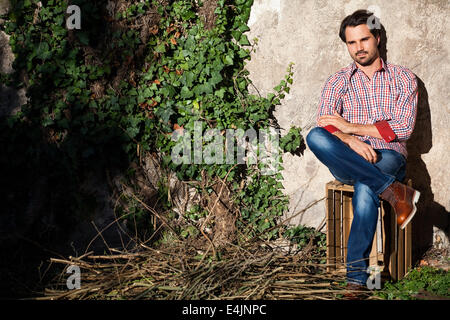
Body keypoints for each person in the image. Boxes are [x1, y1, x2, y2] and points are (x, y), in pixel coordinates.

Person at [306, 9, 420, 296]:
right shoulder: (338, 81)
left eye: (364, 40)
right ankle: (394, 193)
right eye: (351, 43)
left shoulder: (403, 78)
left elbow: (402, 129)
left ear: (377, 38)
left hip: (389, 157)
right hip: (348, 157)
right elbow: (325, 125)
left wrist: (350, 125)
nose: (358, 48)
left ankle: (358, 281)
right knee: (315, 136)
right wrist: (350, 138)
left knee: (365, 188)